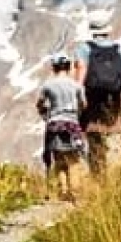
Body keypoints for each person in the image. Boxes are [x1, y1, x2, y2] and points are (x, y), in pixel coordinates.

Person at [74, 19, 121, 175]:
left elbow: (81, 70)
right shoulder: (119, 49)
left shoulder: (84, 49)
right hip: (115, 104)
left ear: (92, 32)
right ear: (107, 31)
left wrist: (78, 90)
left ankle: (99, 177)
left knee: (95, 138)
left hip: (93, 104)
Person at [35, 53, 86, 199]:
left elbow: (40, 104)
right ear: (69, 67)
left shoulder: (48, 85)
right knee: (73, 159)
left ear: (54, 68)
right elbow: (83, 104)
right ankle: (75, 192)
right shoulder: (76, 86)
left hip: (54, 124)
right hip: (71, 123)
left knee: (58, 158)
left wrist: (45, 114)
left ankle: (63, 191)